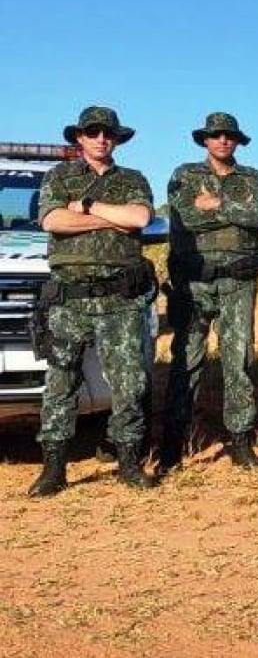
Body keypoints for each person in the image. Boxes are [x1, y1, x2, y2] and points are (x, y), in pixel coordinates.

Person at [29, 105, 156, 496]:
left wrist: (84, 207)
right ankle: (54, 468)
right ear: (79, 138)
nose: (101, 138)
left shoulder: (132, 179)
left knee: (130, 381)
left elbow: (139, 218)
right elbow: (52, 221)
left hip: (121, 299)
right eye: (93, 131)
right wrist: (113, 218)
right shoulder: (59, 176)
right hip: (70, 298)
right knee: (61, 381)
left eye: (108, 132)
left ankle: (129, 460)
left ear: (116, 139)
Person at [159, 112, 258, 472]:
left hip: (239, 282)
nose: (223, 140)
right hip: (194, 283)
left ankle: (240, 442)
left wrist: (218, 205)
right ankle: (172, 446)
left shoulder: (253, 178)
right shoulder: (185, 175)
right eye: (216, 135)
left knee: (238, 360)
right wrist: (239, 213)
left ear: (237, 141)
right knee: (187, 360)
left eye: (229, 135)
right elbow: (187, 216)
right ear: (205, 141)